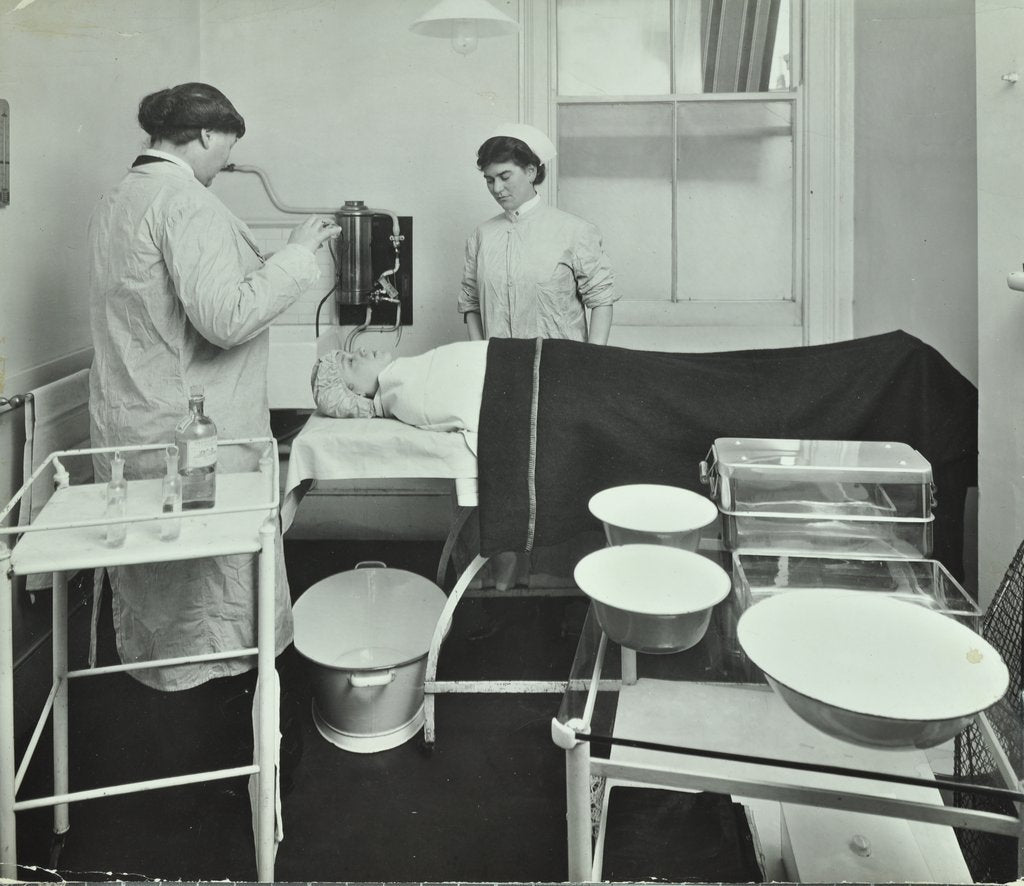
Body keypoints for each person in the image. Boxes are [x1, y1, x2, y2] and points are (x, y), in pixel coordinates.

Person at [88, 82, 339, 782]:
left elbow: (170, 309)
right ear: (204, 137)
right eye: (226, 150)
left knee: (161, 584)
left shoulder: (117, 201)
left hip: (133, 418)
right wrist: (295, 257)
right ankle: (223, 756)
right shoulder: (185, 202)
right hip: (193, 430)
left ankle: (168, 708)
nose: (225, 163)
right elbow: (224, 320)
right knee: (216, 594)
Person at [459, 123, 619, 345]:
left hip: (561, 369)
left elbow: (601, 299)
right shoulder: (481, 236)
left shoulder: (575, 231)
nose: (497, 188)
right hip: (499, 368)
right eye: (489, 180)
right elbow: (471, 303)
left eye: (505, 176)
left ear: (531, 172)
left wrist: (589, 363)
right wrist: (478, 354)